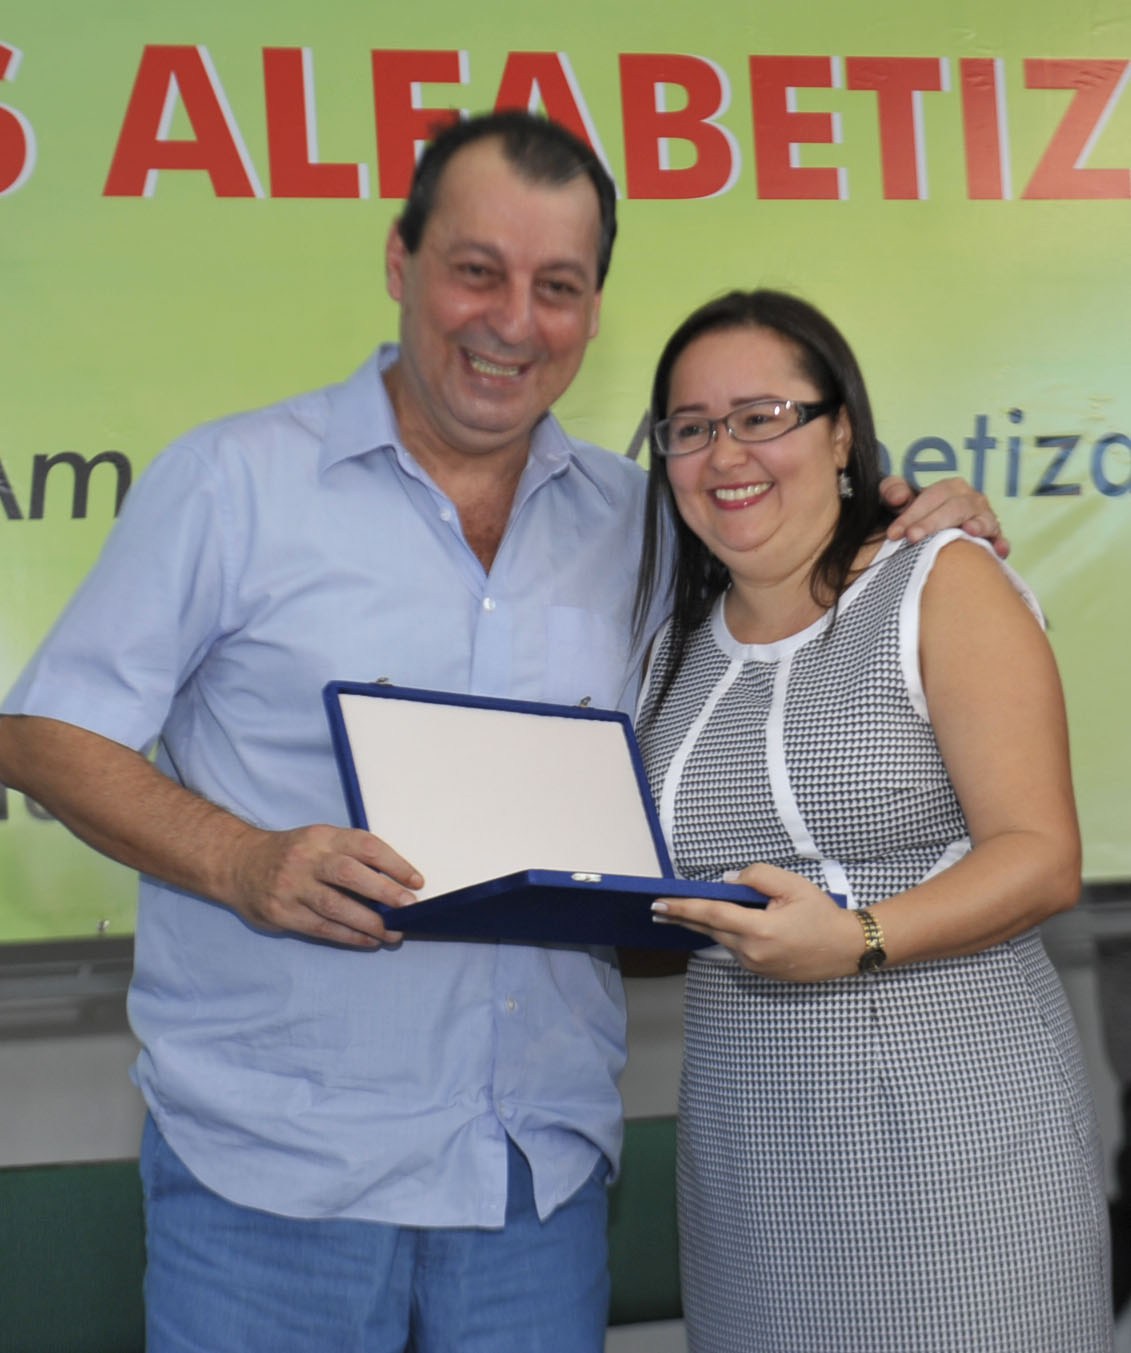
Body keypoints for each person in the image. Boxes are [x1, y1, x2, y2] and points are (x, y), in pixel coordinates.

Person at [0, 115, 1001, 1353]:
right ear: (400, 261)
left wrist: (912, 523)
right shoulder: (231, 484)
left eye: (558, 287)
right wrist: (242, 862)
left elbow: (798, 583)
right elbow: (46, 732)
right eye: (477, 270)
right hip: (272, 1188)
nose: (512, 320)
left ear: (592, 310)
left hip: (536, 1188)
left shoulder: (650, 526)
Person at [634, 288, 1112, 1352]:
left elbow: (1040, 860)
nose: (726, 454)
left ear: (840, 428)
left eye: (764, 416)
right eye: (692, 428)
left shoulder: (939, 583)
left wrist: (858, 941)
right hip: (750, 1159)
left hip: (961, 1145)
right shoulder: (670, 649)